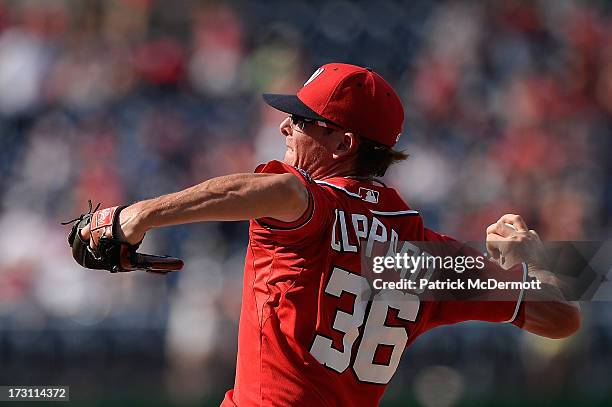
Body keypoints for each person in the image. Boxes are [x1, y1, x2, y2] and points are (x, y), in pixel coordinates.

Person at [80, 63, 580, 406]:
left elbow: (274, 192)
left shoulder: (313, 208)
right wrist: (532, 261)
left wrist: (134, 215)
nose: (285, 129)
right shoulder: (425, 257)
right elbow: (562, 317)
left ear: (343, 142)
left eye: (300, 120)